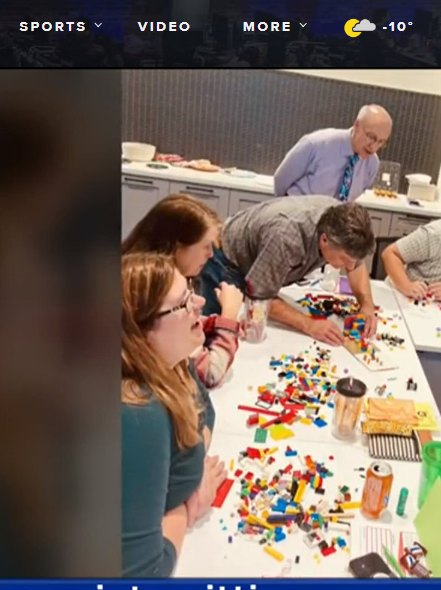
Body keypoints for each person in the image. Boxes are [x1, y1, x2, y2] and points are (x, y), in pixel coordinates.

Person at [121, 253, 225, 577]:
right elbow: (145, 574)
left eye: (190, 288)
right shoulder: (137, 413)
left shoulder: (172, 362)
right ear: (143, 333)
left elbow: (205, 411)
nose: (200, 301)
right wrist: (183, 506)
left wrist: (191, 469)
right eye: (183, 304)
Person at [196, 196, 378, 345]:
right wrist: (309, 325)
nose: (349, 268)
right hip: (227, 261)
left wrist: (367, 306)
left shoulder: (344, 224)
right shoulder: (286, 237)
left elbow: (356, 264)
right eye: (344, 260)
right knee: (215, 339)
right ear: (324, 240)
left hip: (262, 259)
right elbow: (260, 296)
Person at [122, 195, 245, 388]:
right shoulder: (151, 291)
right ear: (177, 247)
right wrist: (229, 316)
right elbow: (209, 373)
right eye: (205, 246)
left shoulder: (163, 285)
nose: (211, 254)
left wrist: (212, 323)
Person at [274, 105, 392, 200]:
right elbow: (280, 180)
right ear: (357, 125)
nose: (374, 147)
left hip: (331, 226)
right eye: (371, 137)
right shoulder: (317, 144)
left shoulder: (371, 164)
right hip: (296, 217)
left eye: (381, 142)